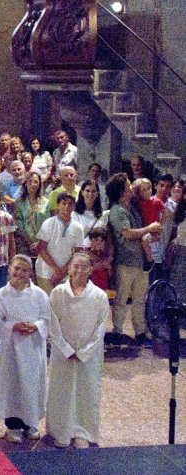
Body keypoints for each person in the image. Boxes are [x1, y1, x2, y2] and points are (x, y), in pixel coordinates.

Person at [46, 252, 109, 449]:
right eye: (76, 266)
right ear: (70, 267)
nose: (79, 270)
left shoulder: (99, 296)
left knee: (86, 391)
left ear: (91, 269)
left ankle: (83, 431)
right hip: (62, 352)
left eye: (84, 267)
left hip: (88, 355)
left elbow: (100, 329)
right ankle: (61, 431)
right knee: (61, 390)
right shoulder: (58, 293)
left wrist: (83, 352)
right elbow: (52, 323)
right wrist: (66, 349)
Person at [0, 254, 50, 443]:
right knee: (12, 385)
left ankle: (30, 423)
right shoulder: (0, 295)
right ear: (9, 269)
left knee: (32, 385)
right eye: (16, 268)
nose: (19, 273)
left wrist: (35, 327)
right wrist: (13, 327)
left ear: (30, 273)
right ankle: (13, 425)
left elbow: (47, 319)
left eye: (24, 270)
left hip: (33, 348)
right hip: (12, 348)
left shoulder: (39, 295)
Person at [107, 173, 160, 345]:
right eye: (128, 185)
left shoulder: (132, 207)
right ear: (122, 190)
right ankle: (117, 332)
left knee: (139, 299)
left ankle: (140, 332)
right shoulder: (117, 210)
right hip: (125, 262)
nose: (131, 187)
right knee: (121, 299)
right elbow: (128, 234)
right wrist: (149, 228)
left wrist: (151, 232)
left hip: (140, 262)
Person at [35, 193, 84, 295]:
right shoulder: (48, 223)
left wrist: (63, 272)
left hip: (66, 275)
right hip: (45, 273)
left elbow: (78, 254)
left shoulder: (78, 228)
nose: (67, 207)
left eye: (70, 204)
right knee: (47, 306)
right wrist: (56, 270)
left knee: (63, 307)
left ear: (74, 207)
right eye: (64, 203)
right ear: (58, 205)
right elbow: (41, 248)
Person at [14, 171, 49, 258]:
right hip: (24, 245)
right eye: (30, 181)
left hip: (43, 245)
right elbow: (19, 226)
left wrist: (39, 244)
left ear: (39, 184)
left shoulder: (45, 202)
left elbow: (48, 224)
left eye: (36, 182)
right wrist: (30, 243)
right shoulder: (19, 203)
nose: (33, 184)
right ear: (25, 183)